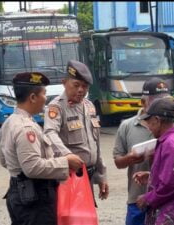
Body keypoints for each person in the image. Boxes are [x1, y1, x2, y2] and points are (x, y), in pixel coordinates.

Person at [0, 72, 84, 225]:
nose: (46, 99)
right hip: (34, 198)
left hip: (19, 193)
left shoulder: (10, 122)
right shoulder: (26, 128)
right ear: (32, 97)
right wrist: (65, 161)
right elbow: (32, 167)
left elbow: (4, 160)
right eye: (44, 94)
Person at [113, 77, 174, 225]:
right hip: (138, 198)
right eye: (157, 101)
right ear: (144, 102)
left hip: (167, 200)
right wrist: (130, 158)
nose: (163, 105)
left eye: (165, 100)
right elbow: (118, 162)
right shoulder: (127, 126)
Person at [43, 60, 109, 202]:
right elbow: (49, 133)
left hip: (89, 176)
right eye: (76, 85)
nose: (81, 90)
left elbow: (95, 143)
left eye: (85, 86)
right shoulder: (56, 107)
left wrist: (101, 175)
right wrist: (67, 155)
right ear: (64, 82)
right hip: (70, 176)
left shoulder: (89, 106)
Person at [134, 97, 174, 225]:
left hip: (170, 214)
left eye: (149, 123)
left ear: (157, 120)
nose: (149, 128)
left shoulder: (170, 144)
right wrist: (152, 176)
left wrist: (147, 198)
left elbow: (170, 185)